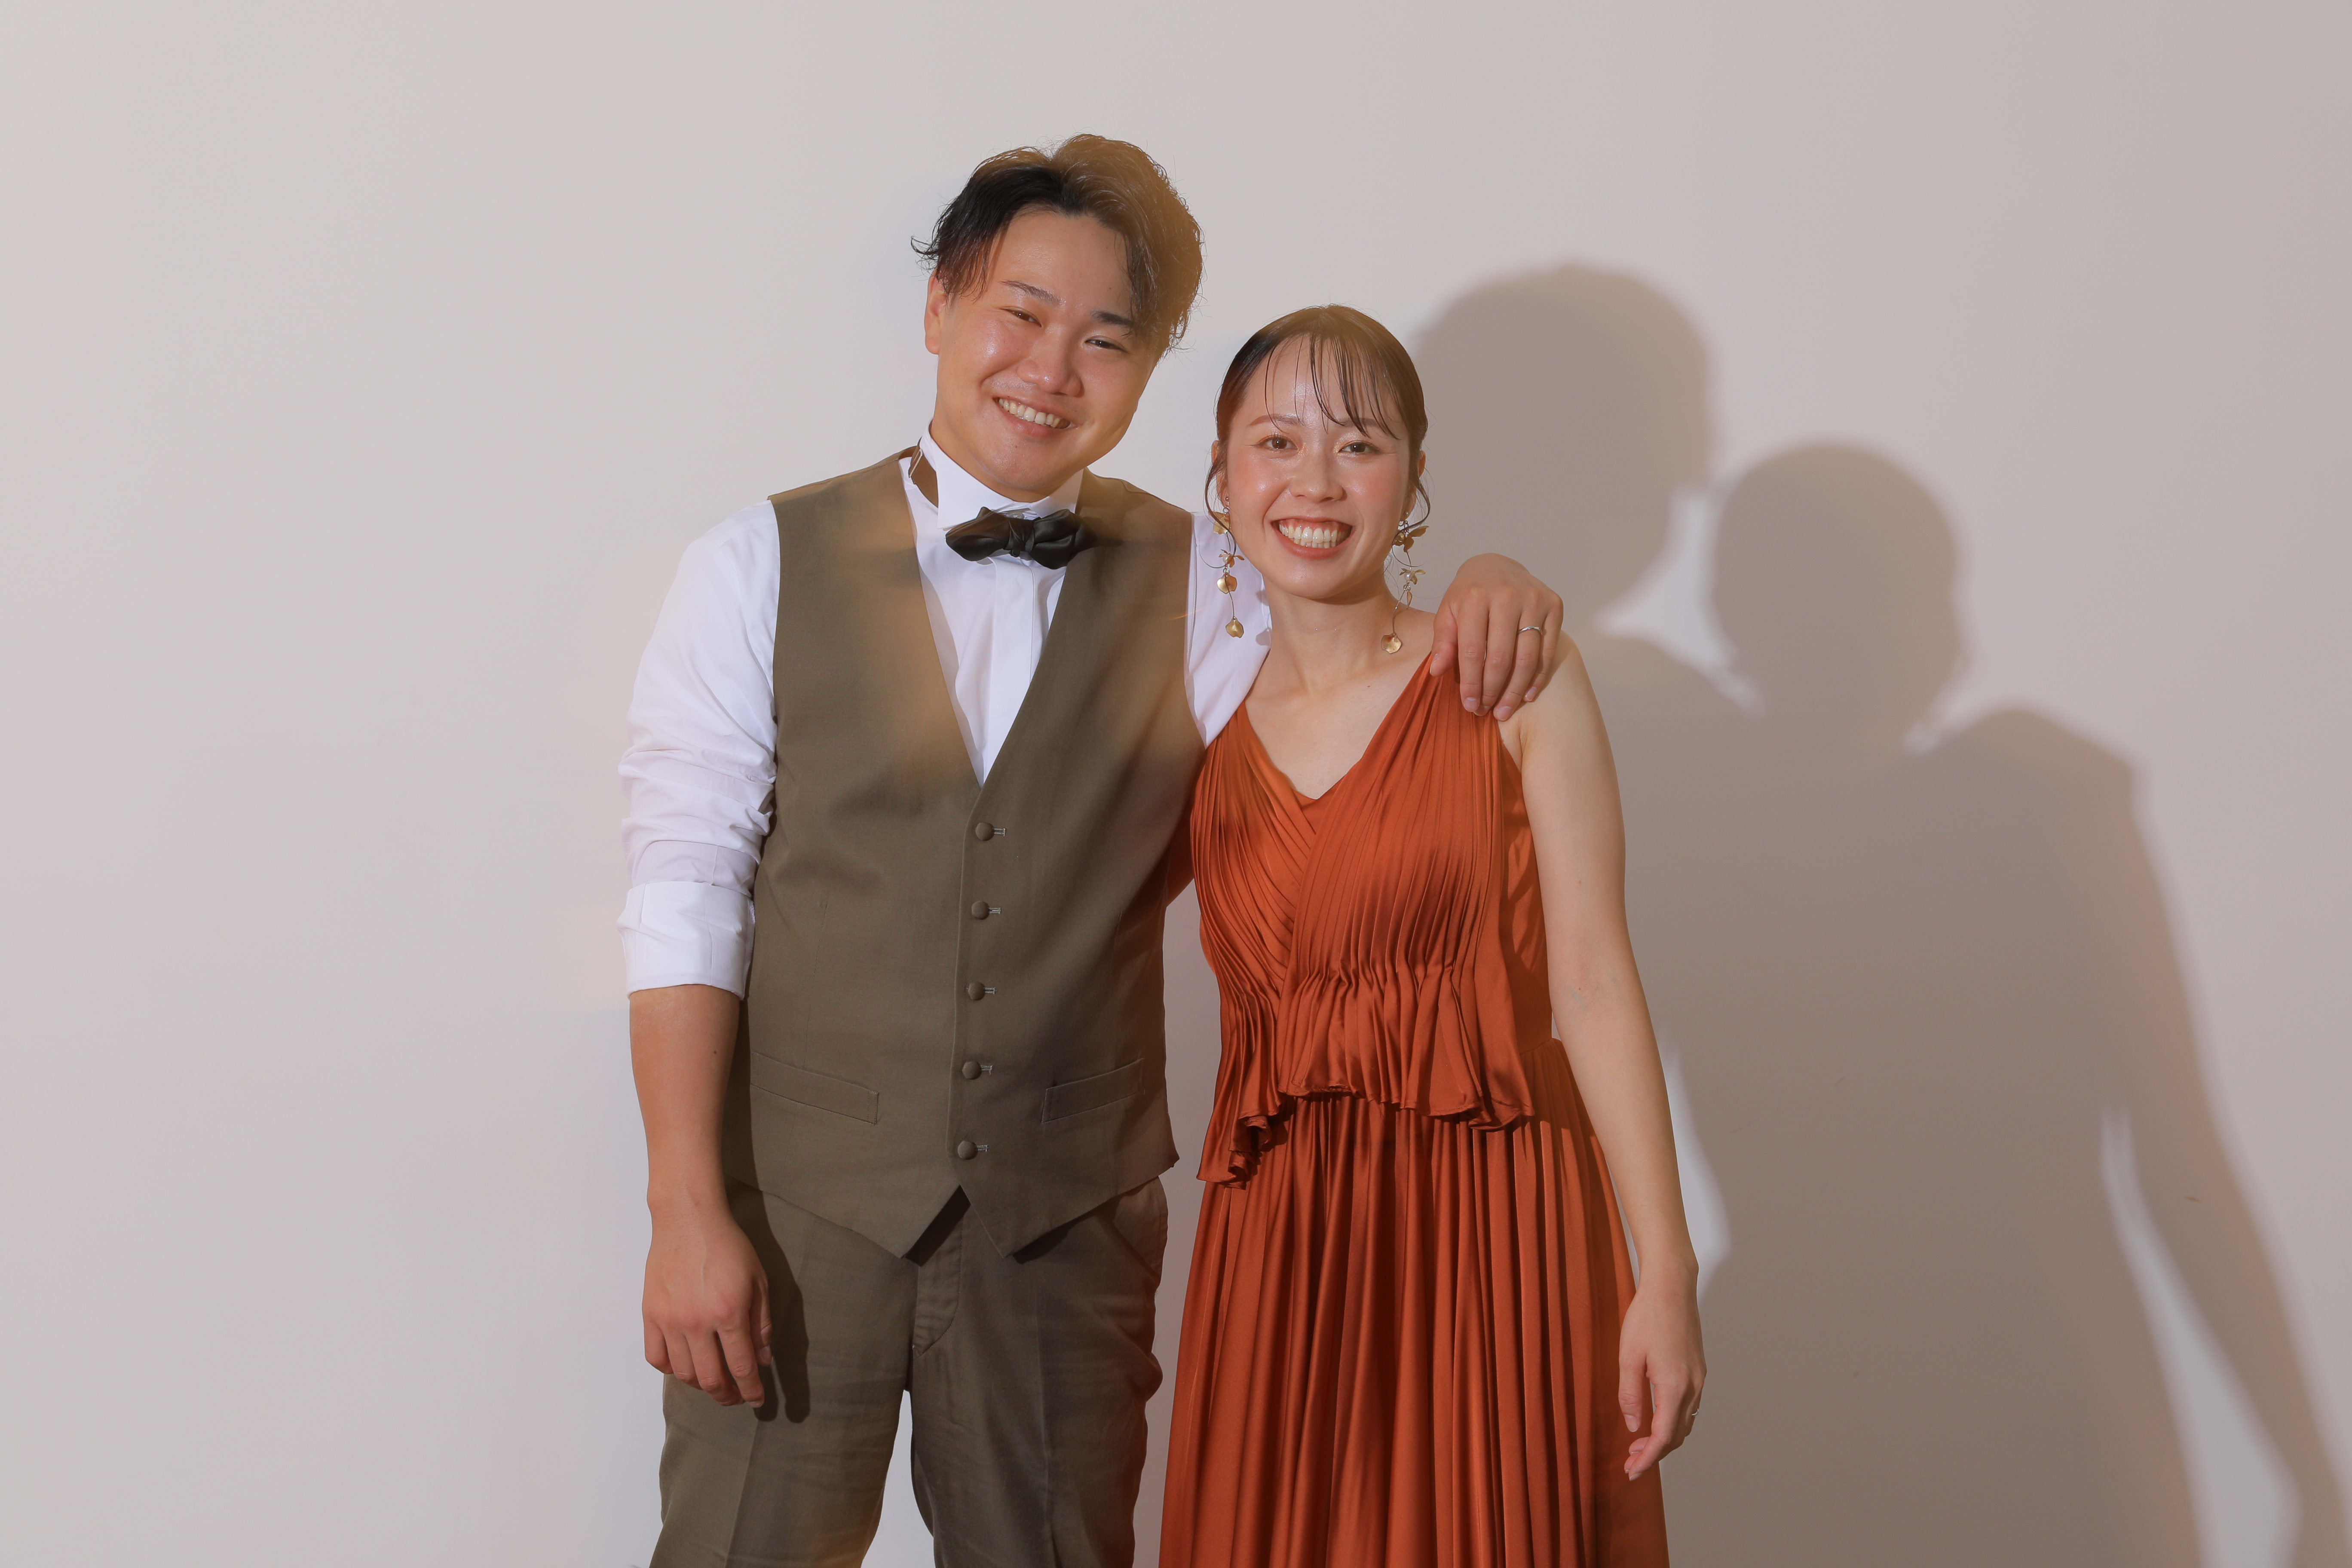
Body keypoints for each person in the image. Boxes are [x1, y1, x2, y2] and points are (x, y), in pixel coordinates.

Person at [617, 138, 1564, 1568]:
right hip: (795, 1216)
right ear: (940, 307)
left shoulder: (1216, 588)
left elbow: (1362, 646)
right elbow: (686, 891)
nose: (1052, 369)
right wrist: (686, 1210)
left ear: (1149, 369)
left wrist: (1490, 577)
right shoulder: (751, 565)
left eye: (1107, 339)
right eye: (1022, 313)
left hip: (1064, 1234)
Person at [1159, 306, 1703, 1568]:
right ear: (1223, 473)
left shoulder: (1512, 677)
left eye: (1359, 445)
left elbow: (1594, 983)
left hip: (1493, 1226)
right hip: (1281, 1253)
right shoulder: (1191, 711)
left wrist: (1665, 1274)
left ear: (1410, 479)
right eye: (1277, 442)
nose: (1314, 482)